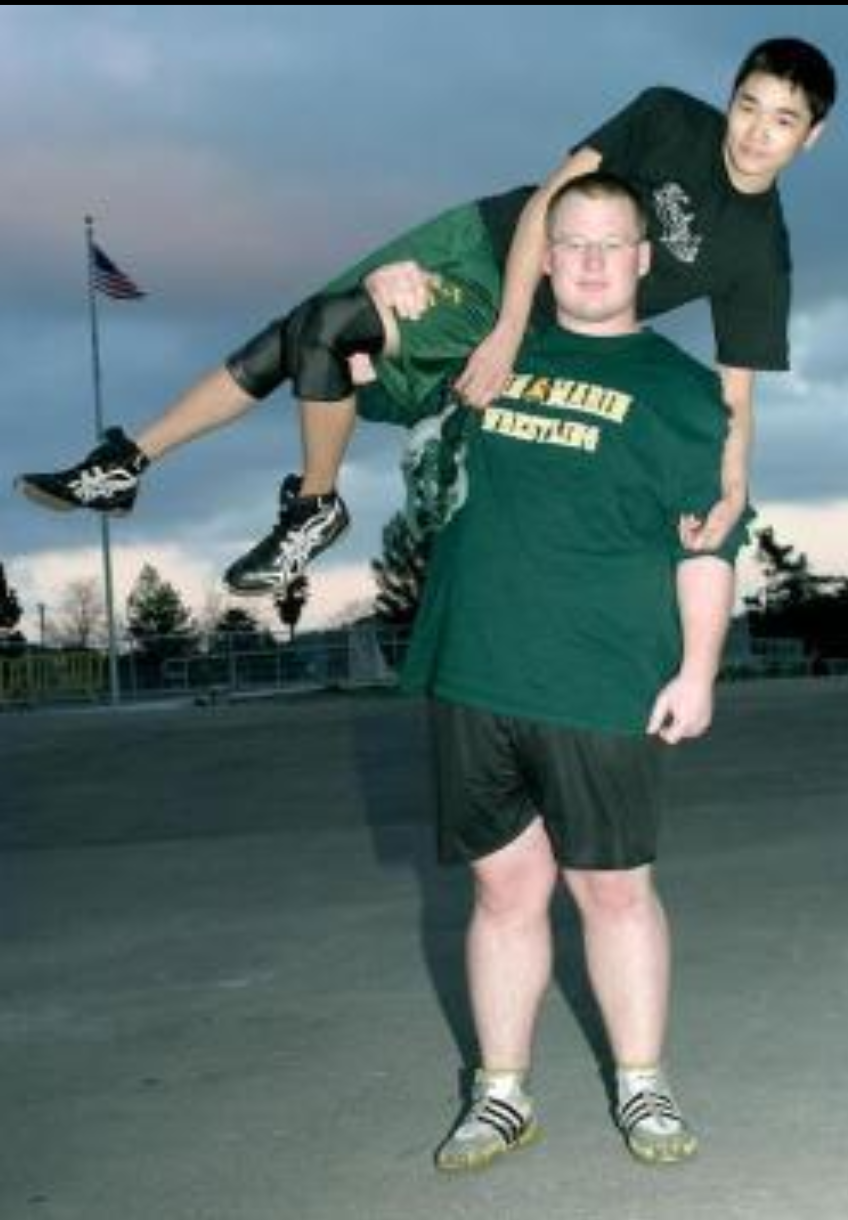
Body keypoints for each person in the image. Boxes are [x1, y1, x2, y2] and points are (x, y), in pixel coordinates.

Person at [15, 37, 834, 596]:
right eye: (749, 105)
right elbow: (549, 199)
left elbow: (737, 393)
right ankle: (128, 463)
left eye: (783, 120)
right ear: (730, 98)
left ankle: (315, 506)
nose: (756, 133)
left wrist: (733, 492)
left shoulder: (760, 253)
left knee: (332, 329)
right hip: (479, 232)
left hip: (508, 307)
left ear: (813, 137)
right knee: (296, 332)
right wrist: (506, 324)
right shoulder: (668, 117)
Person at [391, 170, 751, 1171]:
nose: (591, 262)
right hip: (475, 668)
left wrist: (698, 669)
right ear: (543, 259)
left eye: (610, 243)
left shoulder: (682, 391)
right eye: (572, 243)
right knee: (502, 891)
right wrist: (386, 295)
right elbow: (351, 363)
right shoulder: (491, 348)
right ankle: (500, 1095)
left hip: (602, 680)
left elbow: (706, 546)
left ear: (643, 258)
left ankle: (641, 1081)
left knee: (613, 890)